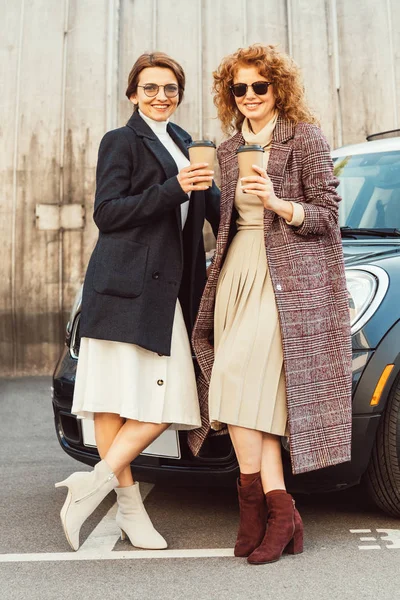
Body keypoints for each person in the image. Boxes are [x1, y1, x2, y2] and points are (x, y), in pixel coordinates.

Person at [191, 44, 352, 565]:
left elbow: (327, 215)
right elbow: (226, 221)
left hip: (286, 279)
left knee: (239, 380)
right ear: (230, 94)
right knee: (239, 392)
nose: (251, 95)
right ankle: (275, 513)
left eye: (260, 86)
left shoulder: (303, 137)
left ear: (278, 88)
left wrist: (279, 203)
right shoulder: (230, 144)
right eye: (240, 88)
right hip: (236, 270)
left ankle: (263, 512)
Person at [55, 52, 219, 552]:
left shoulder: (189, 143)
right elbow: (108, 212)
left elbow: (214, 212)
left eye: (170, 88)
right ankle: (129, 508)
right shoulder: (121, 140)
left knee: (167, 403)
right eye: (150, 88)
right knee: (112, 400)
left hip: (169, 291)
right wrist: (174, 188)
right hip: (124, 286)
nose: (161, 96)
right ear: (133, 94)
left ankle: (90, 484)